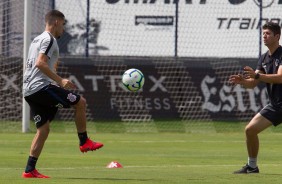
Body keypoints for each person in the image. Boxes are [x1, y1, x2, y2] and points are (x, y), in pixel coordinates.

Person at [22, 10, 103, 178]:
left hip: (29, 90)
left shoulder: (37, 39)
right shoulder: (49, 39)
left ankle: (29, 170)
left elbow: (45, 64)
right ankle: (84, 141)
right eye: (63, 25)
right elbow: (40, 64)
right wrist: (60, 81)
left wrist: (54, 75)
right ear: (57, 22)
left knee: (43, 130)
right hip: (40, 87)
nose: (64, 29)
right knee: (80, 102)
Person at [229, 22, 282, 174]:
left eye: (268, 34)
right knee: (250, 130)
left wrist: (258, 75)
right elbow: (253, 84)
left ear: (277, 36)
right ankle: (252, 166)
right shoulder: (264, 58)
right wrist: (243, 82)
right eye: (263, 33)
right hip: (276, 105)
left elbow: (279, 78)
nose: (264, 36)